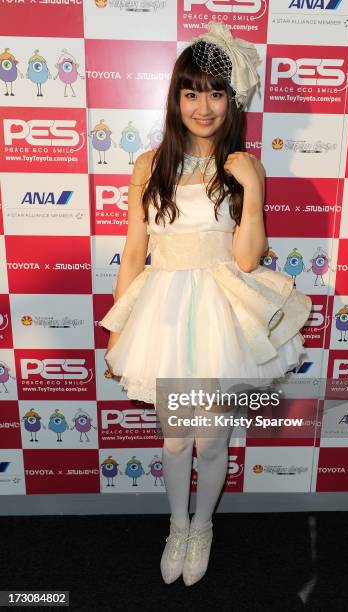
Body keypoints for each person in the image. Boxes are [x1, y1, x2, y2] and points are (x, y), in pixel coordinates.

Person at [99, 23, 312, 587]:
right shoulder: (149, 165)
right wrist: (117, 330)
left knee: (211, 435)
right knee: (175, 437)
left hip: (219, 313)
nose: (203, 106)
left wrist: (254, 189)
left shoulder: (243, 167)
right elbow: (132, 252)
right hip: (164, 314)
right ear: (176, 98)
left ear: (232, 98)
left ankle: (204, 526)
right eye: (191, 92)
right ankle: (178, 525)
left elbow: (246, 260)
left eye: (215, 92)